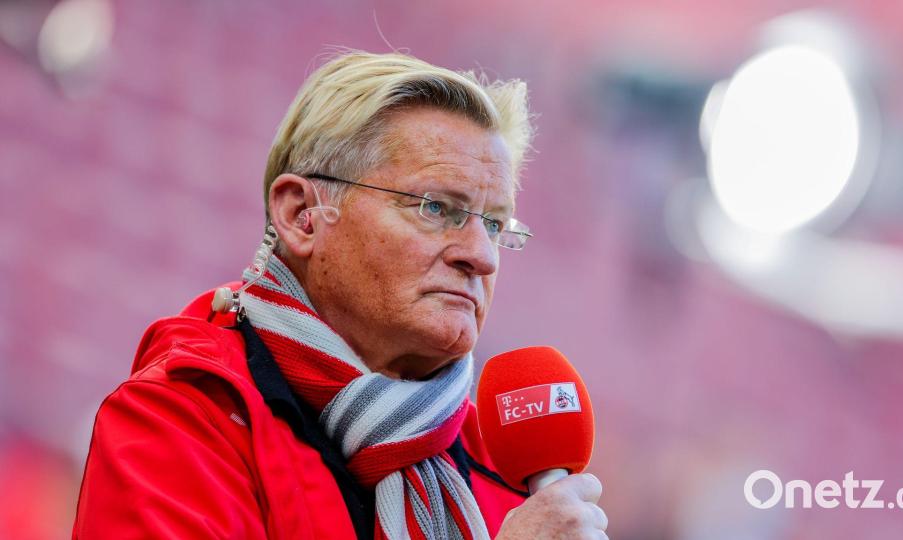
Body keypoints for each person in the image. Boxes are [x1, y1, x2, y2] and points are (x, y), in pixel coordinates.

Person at [73, 50, 608, 539]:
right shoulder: (179, 421)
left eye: (493, 224)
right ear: (300, 216)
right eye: (436, 209)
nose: (482, 256)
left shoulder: (506, 471)